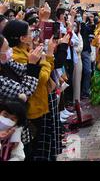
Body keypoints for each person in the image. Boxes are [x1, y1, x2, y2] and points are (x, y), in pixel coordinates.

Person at [2, 19, 61, 161]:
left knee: (40, 148)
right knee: (31, 151)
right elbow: (42, 77)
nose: (33, 35)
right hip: (30, 111)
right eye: (30, 32)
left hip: (40, 106)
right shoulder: (17, 56)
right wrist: (46, 57)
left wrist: (43, 59)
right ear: (22, 38)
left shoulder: (28, 52)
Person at [71, 22, 83, 104]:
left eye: (76, 26)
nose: (74, 27)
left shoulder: (79, 35)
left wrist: (72, 49)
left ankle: (76, 101)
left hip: (77, 59)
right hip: (70, 60)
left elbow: (80, 48)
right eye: (73, 25)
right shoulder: (70, 34)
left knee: (77, 80)